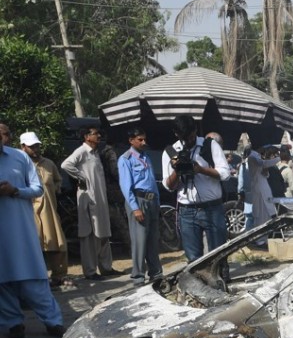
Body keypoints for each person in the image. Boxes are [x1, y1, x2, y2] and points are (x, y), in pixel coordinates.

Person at [0, 124, 64, 338]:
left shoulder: (20, 158)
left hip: (22, 230)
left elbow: (37, 189)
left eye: (4, 134)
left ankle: (53, 322)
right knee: (2, 280)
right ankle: (14, 324)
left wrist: (15, 191)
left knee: (33, 279)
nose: (3, 137)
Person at [162, 114, 231, 263]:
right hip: (187, 211)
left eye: (191, 136)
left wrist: (201, 170)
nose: (188, 141)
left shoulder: (209, 145)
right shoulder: (171, 152)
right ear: (176, 134)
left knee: (218, 254)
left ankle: (220, 275)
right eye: (184, 138)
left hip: (212, 208)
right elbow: (169, 186)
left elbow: (225, 174)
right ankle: (199, 276)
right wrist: (177, 171)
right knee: (193, 258)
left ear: (195, 130)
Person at [61, 125, 116, 280]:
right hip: (89, 199)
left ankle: (106, 268)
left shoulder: (95, 153)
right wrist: (81, 177)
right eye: (95, 133)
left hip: (100, 198)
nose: (98, 136)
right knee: (89, 236)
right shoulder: (82, 151)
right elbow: (66, 164)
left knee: (103, 233)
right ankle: (90, 271)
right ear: (86, 137)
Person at [19, 131, 69, 288]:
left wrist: (55, 188)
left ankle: (59, 276)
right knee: (33, 246)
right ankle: (37, 278)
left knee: (58, 243)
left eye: (37, 146)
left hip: (50, 211)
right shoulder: (19, 164)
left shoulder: (48, 163)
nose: (35, 149)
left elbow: (58, 180)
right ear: (23, 146)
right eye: (31, 146)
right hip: (29, 212)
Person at [117, 128, 163, 285]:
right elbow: (126, 186)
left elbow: (152, 182)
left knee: (152, 239)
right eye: (140, 139)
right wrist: (135, 208)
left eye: (144, 139)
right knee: (139, 239)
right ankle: (138, 276)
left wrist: (157, 202)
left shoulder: (146, 157)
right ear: (131, 140)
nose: (144, 142)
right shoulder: (126, 159)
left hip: (151, 201)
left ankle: (156, 273)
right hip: (138, 200)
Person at [246, 144, 281, 248]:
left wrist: (265, 171)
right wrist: (279, 158)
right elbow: (263, 164)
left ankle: (263, 240)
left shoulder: (258, 157)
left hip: (264, 189)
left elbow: (264, 173)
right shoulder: (252, 157)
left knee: (266, 216)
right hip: (259, 191)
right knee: (260, 217)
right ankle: (259, 241)